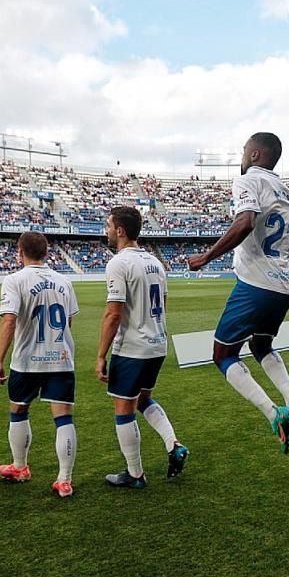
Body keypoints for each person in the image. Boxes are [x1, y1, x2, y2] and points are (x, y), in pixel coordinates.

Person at [187, 132, 289, 453]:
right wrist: (275, 265)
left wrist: (206, 257)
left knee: (223, 355)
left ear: (254, 155)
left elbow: (244, 222)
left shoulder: (247, 181)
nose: (241, 157)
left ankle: (274, 413)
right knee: (261, 344)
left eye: (244, 151)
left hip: (254, 284)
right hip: (283, 286)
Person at [97, 206, 188, 488]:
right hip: (157, 344)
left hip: (132, 349)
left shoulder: (119, 263)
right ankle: (173, 444)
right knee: (144, 399)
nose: (107, 231)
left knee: (124, 407)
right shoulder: (155, 263)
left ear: (120, 231)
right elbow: (164, 303)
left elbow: (113, 313)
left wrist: (101, 355)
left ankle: (135, 474)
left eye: (109, 226)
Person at [0, 232, 81, 497]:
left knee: (19, 411)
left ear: (20, 252)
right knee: (63, 418)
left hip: (28, 360)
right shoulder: (64, 281)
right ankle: (64, 480)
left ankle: (20, 467)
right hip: (61, 357)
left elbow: (9, 320)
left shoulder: (14, 280)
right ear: (46, 252)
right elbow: (68, 321)